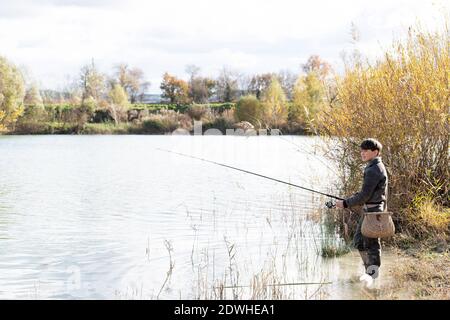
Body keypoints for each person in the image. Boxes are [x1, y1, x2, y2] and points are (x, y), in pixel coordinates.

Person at [335, 138, 388, 282]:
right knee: (359, 241)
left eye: (366, 150)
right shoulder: (374, 166)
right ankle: (370, 273)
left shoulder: (374, 169)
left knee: (372, 244)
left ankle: (372, 275)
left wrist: (345, 203)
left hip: (373, 212)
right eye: (361, 150)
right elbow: (365, 193)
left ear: (375, 152)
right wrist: (347, 201)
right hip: (370, 211)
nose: (362, 153)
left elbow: (365, 195)